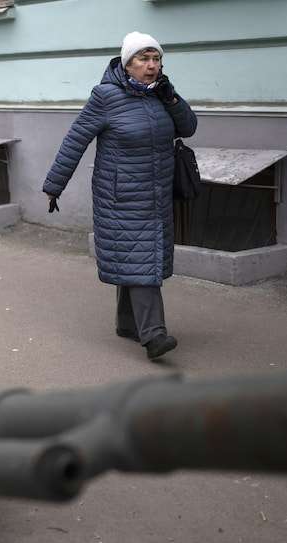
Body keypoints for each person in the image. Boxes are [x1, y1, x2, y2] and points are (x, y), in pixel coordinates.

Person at [42, 32, 197, 361]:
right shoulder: (105, 96)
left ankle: (128, 323)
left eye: (156, 59)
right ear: (127, 64)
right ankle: (154, 335)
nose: (151, 66)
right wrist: (55, 185)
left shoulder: (160, 95)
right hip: (122, 197)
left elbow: (188, 127)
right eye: (143, 59)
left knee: (137, 258)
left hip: (156, 194)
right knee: (143, 260)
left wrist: (172, 98)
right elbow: (76, 139)